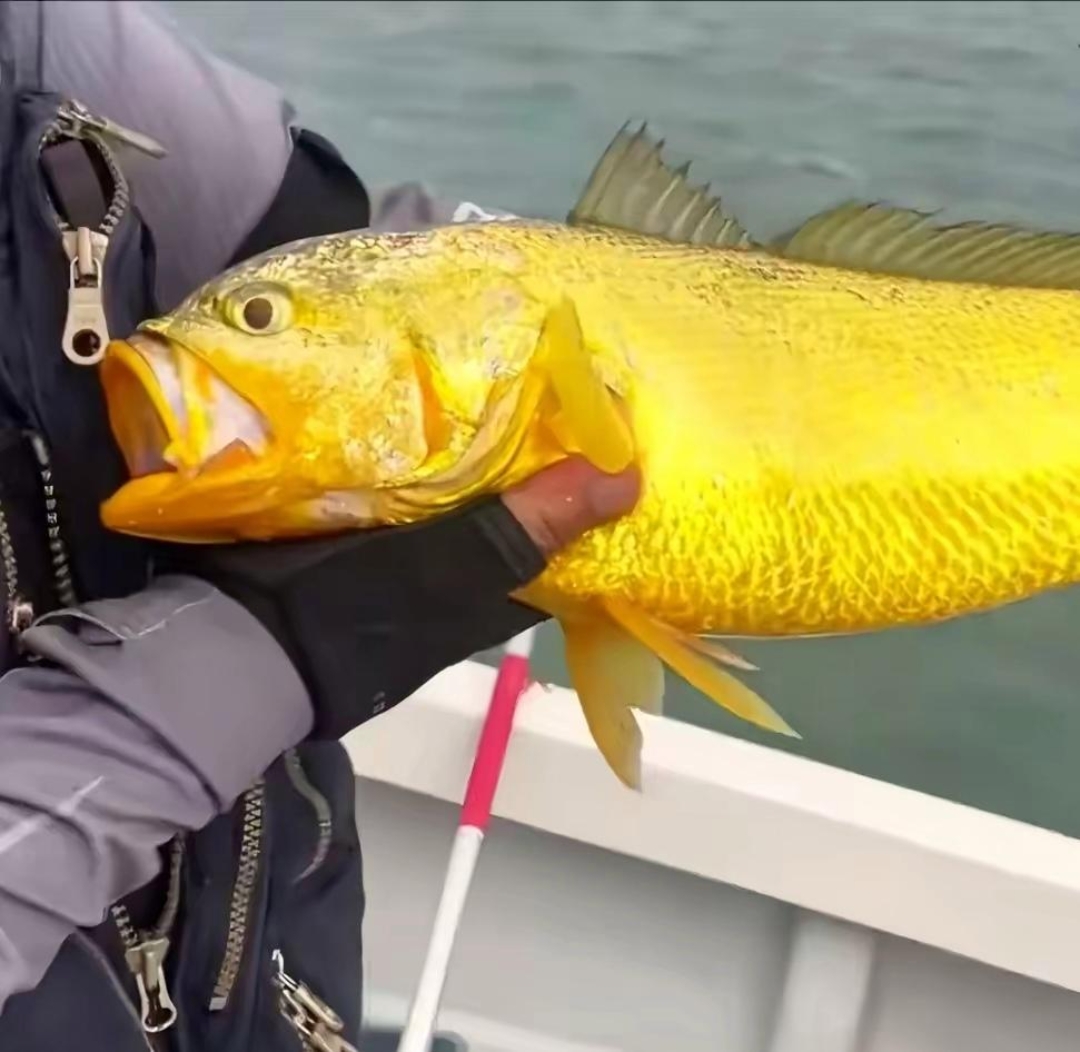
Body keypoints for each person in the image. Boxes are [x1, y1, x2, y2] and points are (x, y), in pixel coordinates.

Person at [0, 2, 640, 1050]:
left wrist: (464, 319)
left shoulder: (40, 53)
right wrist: (252, 654)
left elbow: (341, 261)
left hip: (267, 966)